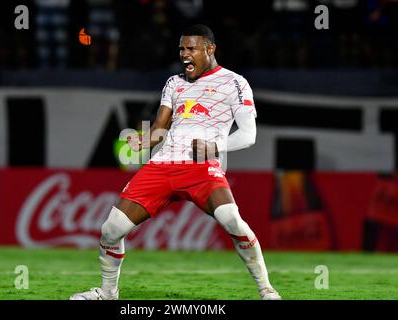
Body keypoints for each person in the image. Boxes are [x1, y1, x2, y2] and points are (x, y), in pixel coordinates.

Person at [70, 24, 281, 300]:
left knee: (232, 220)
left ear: (210, 49)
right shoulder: (174, 83)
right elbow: (160, 128)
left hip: (202, 167)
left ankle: (266, 289)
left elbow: (249, 135)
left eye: (191, 48)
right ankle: (108, 294)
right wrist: (145, 140)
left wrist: (215, 147)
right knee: (111, 229)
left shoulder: (235, 83)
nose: (184, 54)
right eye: (181, 48)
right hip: (164, 164)